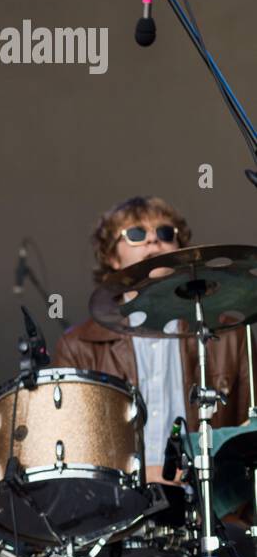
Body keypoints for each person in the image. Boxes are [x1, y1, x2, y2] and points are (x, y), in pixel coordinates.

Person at [51, 196, 252, 488]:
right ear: (112, 257)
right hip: (117, 508)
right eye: (136, 234)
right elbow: (67, 446)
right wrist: (140, 474)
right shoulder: (79, 344)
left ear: (180, 251)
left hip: (210, 503)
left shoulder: (229, 335)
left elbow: (250, 428)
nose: (152, 242)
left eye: (165, 234)